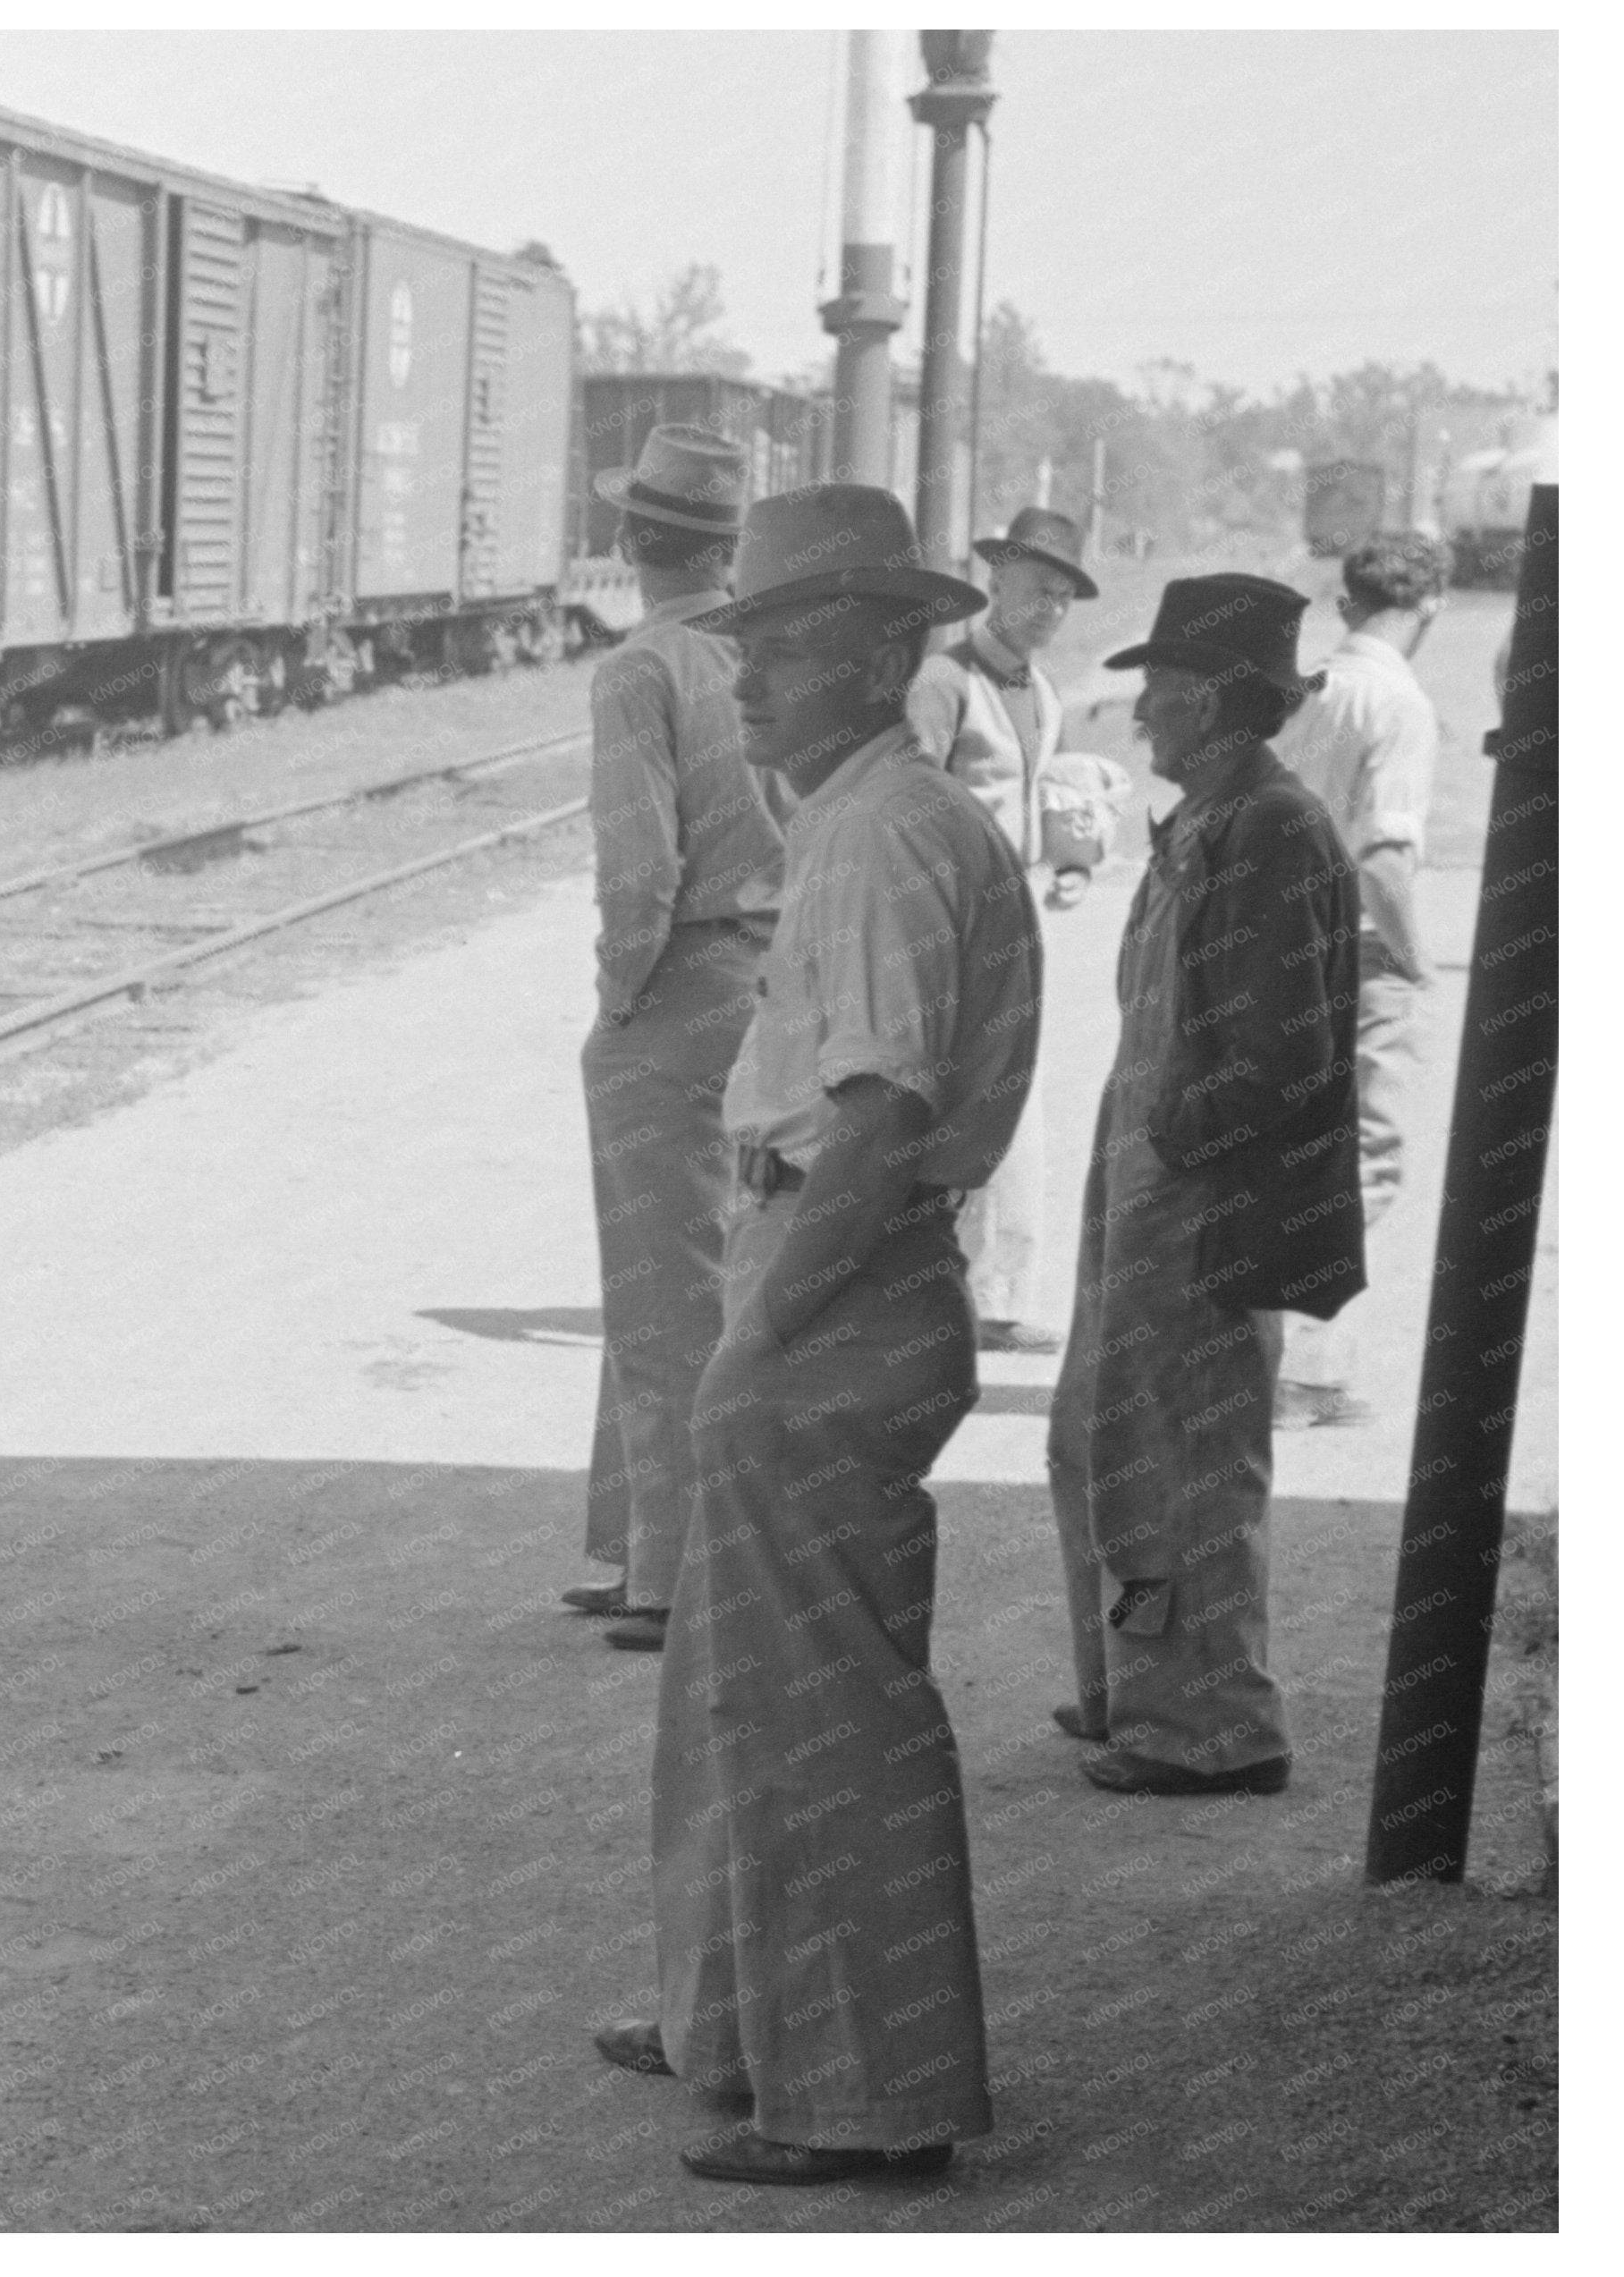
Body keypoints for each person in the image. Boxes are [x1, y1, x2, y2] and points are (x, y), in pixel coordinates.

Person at [594, 484, 1040, 2187]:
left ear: (872, 656)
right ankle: (739, 2024)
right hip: (825, 1266)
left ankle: (861, 2099)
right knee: (746, 1682)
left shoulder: (875, 835)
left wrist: (759, 1331)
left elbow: (872, 1121)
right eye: (743, 650)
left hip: (833, 1286)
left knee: (827, 1716)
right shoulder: (866, 812)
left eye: (779, 652)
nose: (748, 684)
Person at [1046, 575, 1365, 1795]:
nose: (1140, 720)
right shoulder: (1210, 822)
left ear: (1220, 703)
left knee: (1183, 1460)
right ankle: (1134, 1689)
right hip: (1140, 1180)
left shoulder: (1272, 829)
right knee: (1105, 1442)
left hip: (1195, 1200)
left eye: (1161, 694)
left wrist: (1177, 1141)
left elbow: (1289, 1054)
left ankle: (1210, 1727)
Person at [565, 426, 782, 1655]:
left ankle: (674, 1569)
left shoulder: (638, 671)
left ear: (631, 541)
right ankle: (636, 1540)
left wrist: (617, 996)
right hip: (766, 979)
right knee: (701, 1269)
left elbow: (637, 870)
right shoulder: (758, 655)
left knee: (657, 1286)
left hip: (680, 978)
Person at [905, 505, 1099, 1357]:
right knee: (944, 1093)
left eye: (1062, 596)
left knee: (1013, 1097)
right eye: (1034, 590)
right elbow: (906, 804)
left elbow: (1041, 795)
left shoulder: (1046, 691)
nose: (1048, 609)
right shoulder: (944, 683)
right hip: (949, 917)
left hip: (1018, 914)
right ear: (995, 584)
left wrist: (1070, 861)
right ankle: (942, 1290)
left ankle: (994, 1293)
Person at [1269, 533, 1446, 1427]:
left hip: (1283, 947)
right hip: (1364, 951)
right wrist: (1418, 961)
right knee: (1365, 1164)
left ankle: (1274, 1359)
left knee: (1292, 1152)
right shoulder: (1402, 705)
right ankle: (1302, 1369)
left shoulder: (1304, 692)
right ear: (1432, 608)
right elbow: (1383, 857)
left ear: (1344, 605)